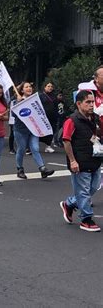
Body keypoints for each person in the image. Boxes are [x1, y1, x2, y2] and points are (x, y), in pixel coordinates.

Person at [60, 90, 101, 232]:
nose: (91, 105)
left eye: (92, 102)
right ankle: (86, 218)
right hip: (80, 161)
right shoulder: (72, 120)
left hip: (94, 159)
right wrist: (72, 161)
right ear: (79, 104)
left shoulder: (94, 118)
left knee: (94, 186)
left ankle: (69, 203)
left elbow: (96, 136)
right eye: (87, 102)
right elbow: (66, 141)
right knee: (83, 191)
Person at [13, 82, 54, 179]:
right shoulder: (17, 101)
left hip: (33, 129)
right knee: (21, 149)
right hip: (20, 130)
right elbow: (13, 115)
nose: (29, 88)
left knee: (35, 148)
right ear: (22, 90)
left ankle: (43, 169)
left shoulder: (35, 100)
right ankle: (20, 169)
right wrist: (19, 103)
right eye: (26, 87)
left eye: (30, 86)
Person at [39, 81, 58, 153]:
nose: (50, 88)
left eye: (51, 86)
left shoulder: (54, 96)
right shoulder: (41, 96)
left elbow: (56, 106)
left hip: (52, 117)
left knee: (51, 131)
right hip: (44, 117)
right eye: (48, 86)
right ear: (44, 87)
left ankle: (48, 145)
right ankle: (32, 145)